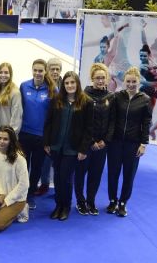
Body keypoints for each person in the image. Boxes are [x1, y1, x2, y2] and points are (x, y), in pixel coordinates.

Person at [43, 71, 93, 221]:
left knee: (66, 178)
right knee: (57, 177)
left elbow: (89, 128)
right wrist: (46, 142)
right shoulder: (57, 100)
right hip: (56, 146)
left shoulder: (86, 102)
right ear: (63, 85)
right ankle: (58, 205)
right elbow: (49, 123)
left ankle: (66, 206)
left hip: (73, 149)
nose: (70, 85)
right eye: (67, 83)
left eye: (72, 82)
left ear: (77, 84)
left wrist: (83, 149)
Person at [106, 67, 152, 217]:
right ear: (124, 81)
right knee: (112, 173)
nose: (131, 84)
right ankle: (113, 200)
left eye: (134, 81)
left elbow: (146, 123)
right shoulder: (117, 97)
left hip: (133, 144)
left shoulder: (145, 100)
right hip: (115, 143)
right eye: (128, 81)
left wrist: (143, 144)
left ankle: (123, 203)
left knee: (128, 175)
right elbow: (111, 118)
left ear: (139, 82)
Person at [76, 63, 112, 215]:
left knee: (95, 175)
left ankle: (91, 201)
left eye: (103, 78)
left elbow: (112, 122)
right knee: (80, 174)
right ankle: (80, 201)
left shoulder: (111, 97)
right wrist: (91, 142)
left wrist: (105, 141)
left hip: (102, 146)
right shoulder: (83, 96)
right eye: (97, 78)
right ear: (92, 78)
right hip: (86, 144)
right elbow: (81, 123)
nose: (100, 81)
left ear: (107, 79)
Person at [19, 59, 56, 209]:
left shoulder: (52, 89)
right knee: (22, 166)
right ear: (32, 70)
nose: (38, 73)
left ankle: (30, 195)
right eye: (35, 70)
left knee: (36, 168)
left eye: (41, 70)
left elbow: (54, 116)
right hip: (24, 135)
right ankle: (21, 194)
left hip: (41, 137)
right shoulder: (23, 86)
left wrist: (50, 139)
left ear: (45, 71)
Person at [37, 57, 63, 196]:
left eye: (57, 69)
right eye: (52, 69)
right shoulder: (43, 85)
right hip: (42, 128)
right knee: (44, 160)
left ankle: (59, 187)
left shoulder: (65, 84)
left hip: (58, 130)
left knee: (57, 161)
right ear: (47, 70)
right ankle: (45, 183)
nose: (54, 71)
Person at [0, 62, 22, 134]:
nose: (3, 75)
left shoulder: (15, 92)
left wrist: (10, 135)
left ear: (10, 74)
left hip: (6, 136)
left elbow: (16, 118)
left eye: (6, 73)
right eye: (1, 72)